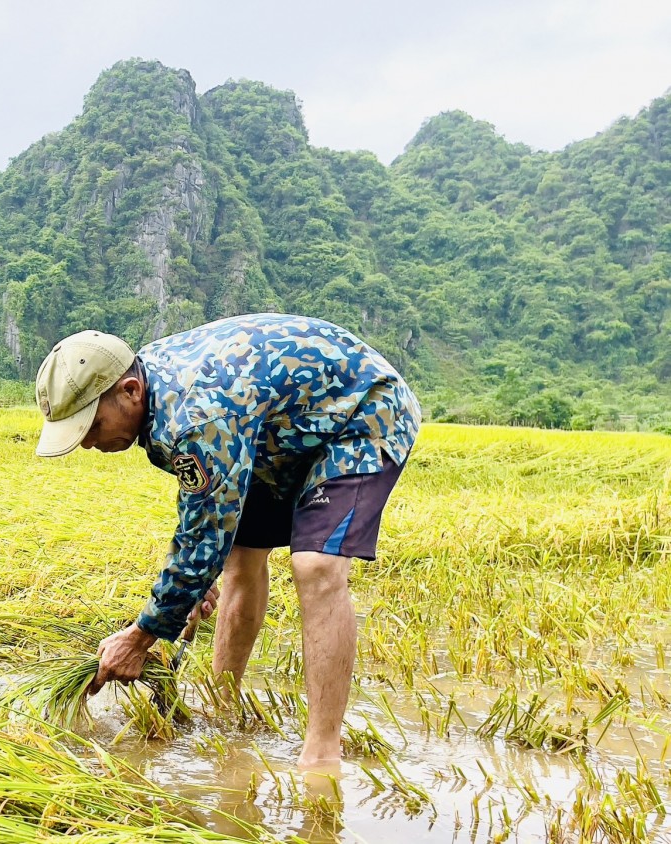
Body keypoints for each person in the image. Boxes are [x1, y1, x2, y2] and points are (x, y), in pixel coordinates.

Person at [33, 314, 420, 769]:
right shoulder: (153, 390)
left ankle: (322, 753)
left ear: (129, 392)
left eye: (92, 426)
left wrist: (143, 635)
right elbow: (207, 518)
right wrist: (193, 585)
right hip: (276, 432)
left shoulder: (195, 418)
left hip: (360, 413)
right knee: (240, 561)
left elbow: (202, 533)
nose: (87, 443)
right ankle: (221, 709)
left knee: (316, 566)